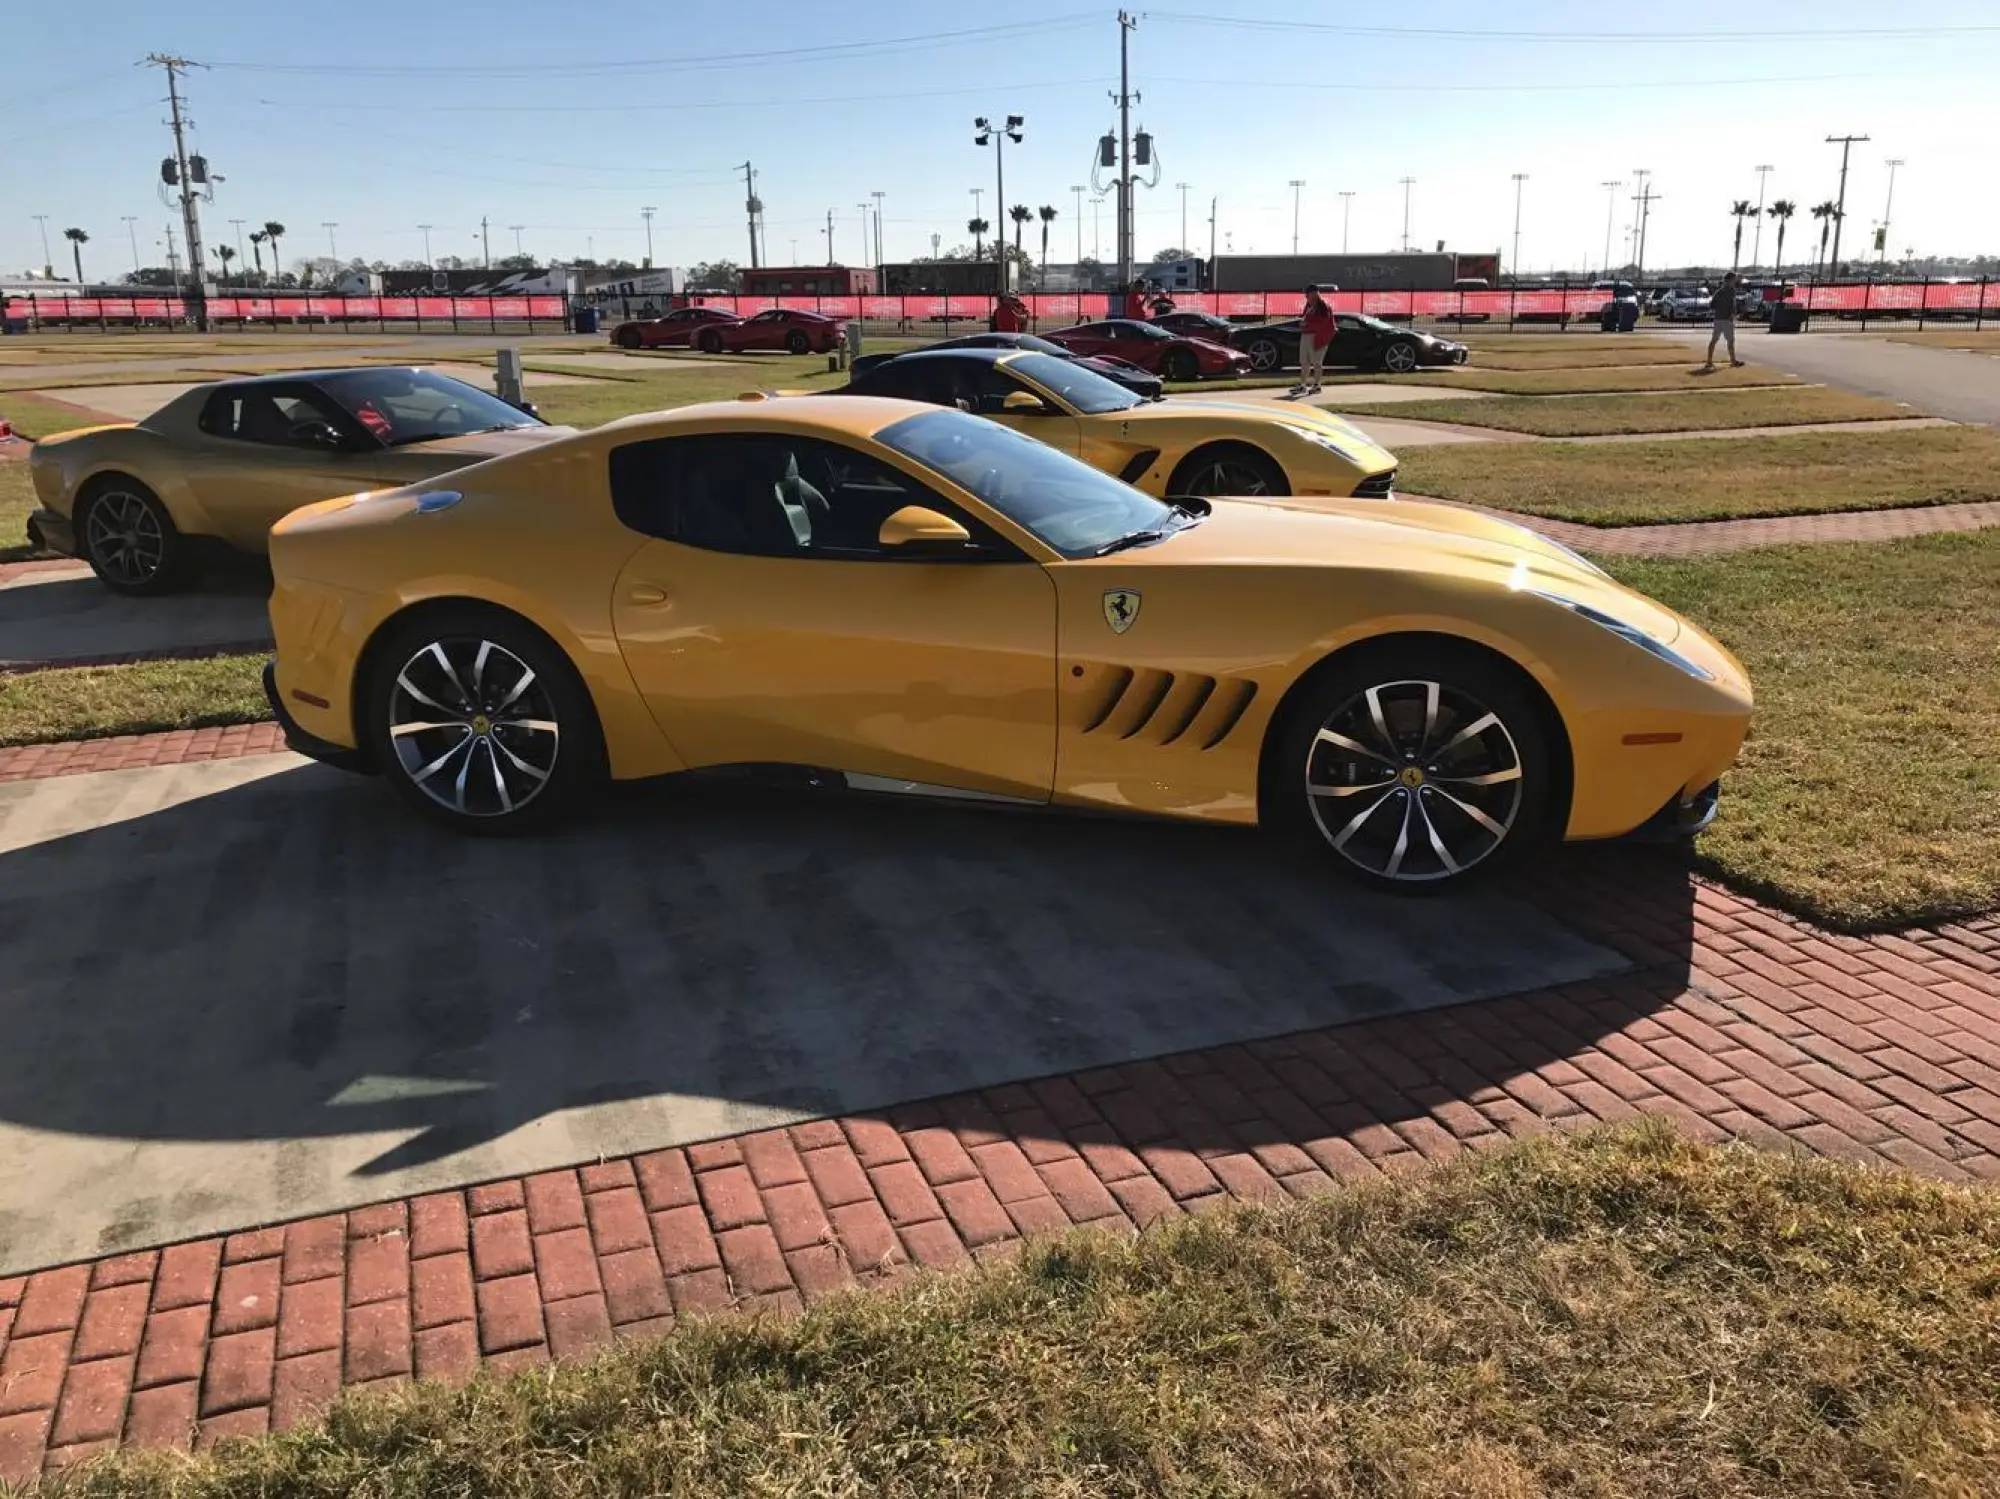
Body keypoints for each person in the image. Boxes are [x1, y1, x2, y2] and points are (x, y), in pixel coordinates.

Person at [1294, 284, 1335, 396]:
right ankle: (1303, 385)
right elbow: (1305, 318)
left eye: (1309, 295)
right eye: (1306, 295)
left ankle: (1317, 385)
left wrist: (1307, 324)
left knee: (1317, 362)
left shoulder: (1324, 307)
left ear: (1315, 294)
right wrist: (1301, 322)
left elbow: (1323, 323)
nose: (1307, 297)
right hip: (1306, 335)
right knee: (1304, 362)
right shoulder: (1308, 306)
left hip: (1318, 337)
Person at [1704, 270, 1745, 369]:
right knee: (1730, 340)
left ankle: (1709, 361)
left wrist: (1720, 307)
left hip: (1718, 318)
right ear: (1731, 279)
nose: (1735, 281)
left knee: (1714, 340)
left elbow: (1712, 305)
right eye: (1734, 279)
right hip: (1727, 318)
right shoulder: (1731, 290)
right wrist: (1732, 314)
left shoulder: (1719, 291)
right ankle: (1733, 361)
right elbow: (1732, 304)